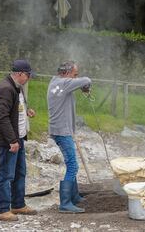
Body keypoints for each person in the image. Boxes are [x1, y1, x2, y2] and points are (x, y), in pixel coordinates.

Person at [0, 59, 37, 221]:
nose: (29, 78)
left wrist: (25, 112)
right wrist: (12, 141)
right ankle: (1, 210)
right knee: (6, 174)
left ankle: (17, 204)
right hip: (9, 140)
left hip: (19, 138)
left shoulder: (17, 87)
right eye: (28, 75)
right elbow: (1, 117)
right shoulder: (6, 89)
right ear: (20, 74)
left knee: (20, 172)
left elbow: (14, 109)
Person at [47, 61, 91, 213]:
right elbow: (86, 80)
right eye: (75, 74)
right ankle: (65, 203)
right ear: (67, 73)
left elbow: (78, 82)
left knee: (72, 164)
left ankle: (75, 196)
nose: (76, 77)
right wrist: (84, 85)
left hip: (60, 129)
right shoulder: (65, 83)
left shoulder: (55, 82)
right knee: (73, 166)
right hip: (62, 132)